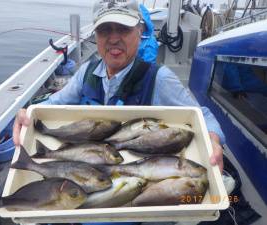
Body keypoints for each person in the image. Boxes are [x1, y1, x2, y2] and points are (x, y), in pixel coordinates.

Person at [13, 0, 224, 175]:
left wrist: (213, 140)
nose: (113, 38)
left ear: (140, 32)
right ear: (95, 35)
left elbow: (202, 116)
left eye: (123, 29)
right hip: (85, 171)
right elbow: (53, 105)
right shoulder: (86, 71)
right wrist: (27, 113)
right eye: (105, 30)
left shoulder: (159, 78)